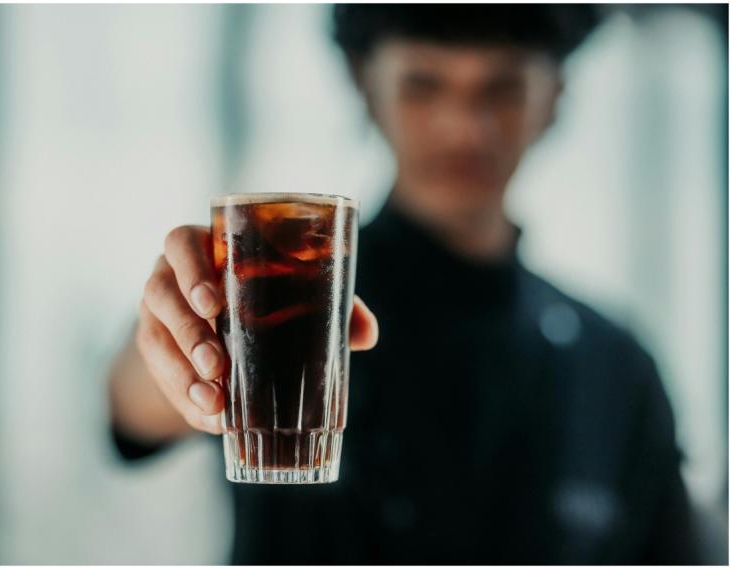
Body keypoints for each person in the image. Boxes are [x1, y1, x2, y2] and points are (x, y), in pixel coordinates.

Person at [107, 5, 705, 564]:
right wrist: (175, 337)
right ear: (365, 83)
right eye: (424, 84)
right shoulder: (281, 295)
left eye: (503, 88)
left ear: (555, 100)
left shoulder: (618, 368)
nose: (464, 127)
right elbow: (134, 404)